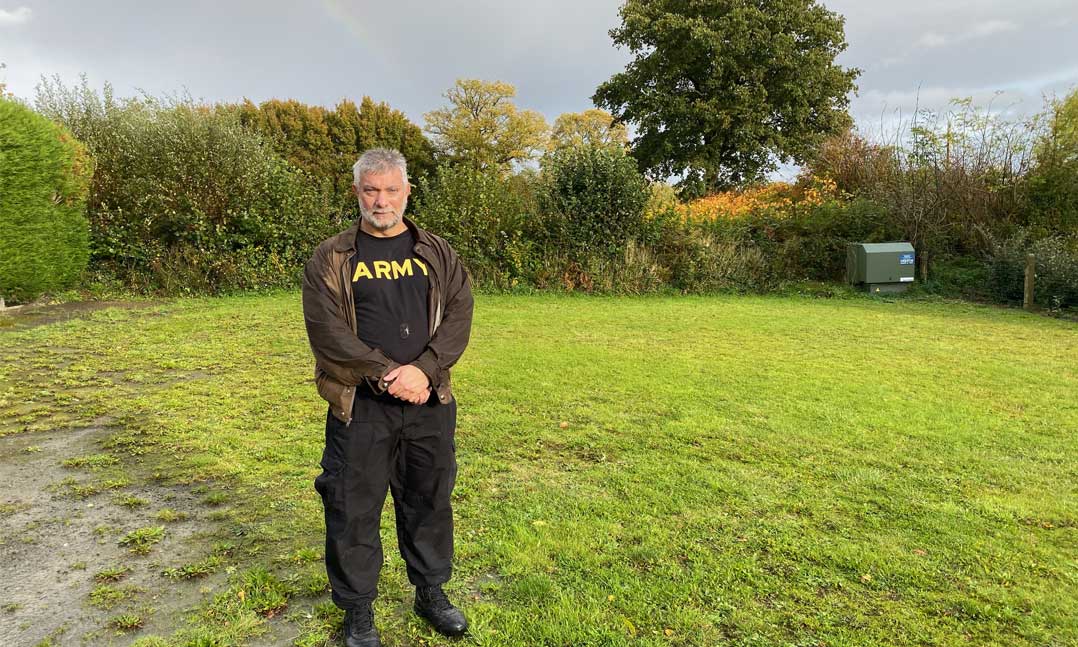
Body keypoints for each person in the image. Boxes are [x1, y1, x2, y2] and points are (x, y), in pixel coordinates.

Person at [302, 148, 474, 647]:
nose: (382, 200)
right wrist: (384, 374)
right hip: (361, 407)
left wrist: (423, 372)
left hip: (429, 403)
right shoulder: (331, 258)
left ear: (407, 192)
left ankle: (432, 593)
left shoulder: (436, 252)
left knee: (429, 500)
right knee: (352, 506)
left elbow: (459, 316)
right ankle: (358, 613)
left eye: (391, 190)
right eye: (371, 190)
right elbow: (327, 332)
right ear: (356, 192)